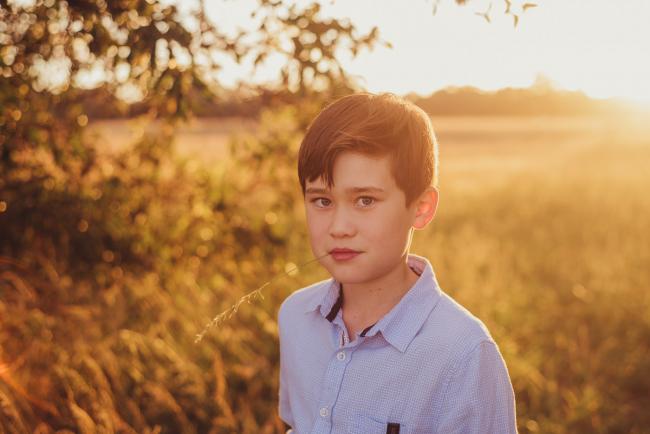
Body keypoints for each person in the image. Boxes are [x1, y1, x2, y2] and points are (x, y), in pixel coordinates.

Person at [277, 92, 517, 434]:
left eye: (365, 200)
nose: (339, 227)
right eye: (322, 200)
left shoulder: (464, 355)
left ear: (421, 207)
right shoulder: (296, 316)